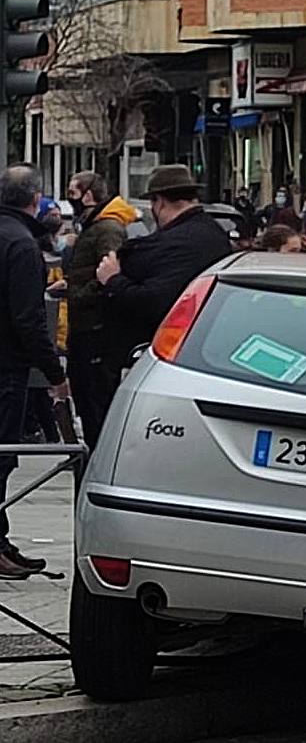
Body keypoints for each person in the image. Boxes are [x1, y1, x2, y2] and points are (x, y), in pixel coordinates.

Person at [95, 165, 232, 375]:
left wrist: (113, 280)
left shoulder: (170, 244)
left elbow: (151, 301)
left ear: (159, 202)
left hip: (160, 354)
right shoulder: (215, 234)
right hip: (205, 348)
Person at [0, 163, 69, 579]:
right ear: (36, 200)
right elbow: (28, 320)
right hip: (6, 367)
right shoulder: (21, 245)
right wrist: (54, 371)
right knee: (2, 459)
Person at [63, 171, 138, 449]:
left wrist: (81, 292)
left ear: (89, 195)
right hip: (84, 323)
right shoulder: (93, 226)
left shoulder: (107, 229)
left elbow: (110, 273)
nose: (71, 200)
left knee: (94, 402)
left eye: (73, 193)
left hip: (94, 328)